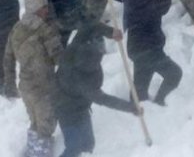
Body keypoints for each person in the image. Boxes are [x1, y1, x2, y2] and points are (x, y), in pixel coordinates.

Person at [53, 18, 138, 157]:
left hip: (80, 105)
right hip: (65, 109)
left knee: (88, 144)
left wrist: (111, 32)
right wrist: (130, 107)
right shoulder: (82, 80)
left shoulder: (77, 45)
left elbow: (91, 25)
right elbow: (104, 99)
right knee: (74, 147)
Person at [5, 0, 63, 157]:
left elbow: (8, 58)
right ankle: (41, 154)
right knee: (46, 126)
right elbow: (58, 56)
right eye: (44, 7)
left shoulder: (15, 29)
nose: (46, 10)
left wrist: (9, 82)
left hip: (26, 87)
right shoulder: (44, 28)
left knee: (35, 123)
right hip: (44, 85)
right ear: (36, 9)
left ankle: (33, 151)